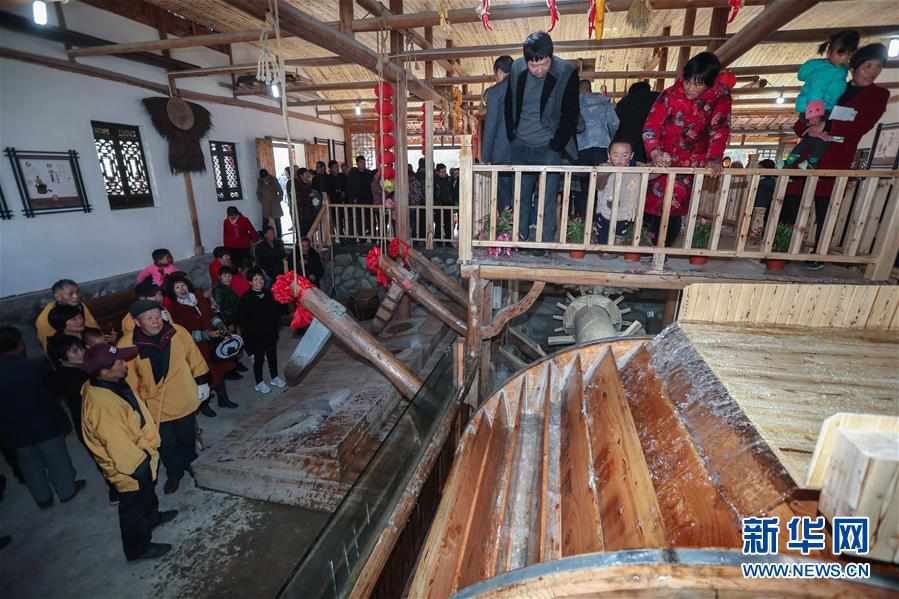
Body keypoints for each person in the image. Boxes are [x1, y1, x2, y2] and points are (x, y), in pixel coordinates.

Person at [780, 42, 890, 269]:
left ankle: (819, 253)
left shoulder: (878, 95)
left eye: (877, 67)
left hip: (838, 154)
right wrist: (809, 127)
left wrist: (828, 124)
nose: (872, 71)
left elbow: (862, 124)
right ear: (856, 67)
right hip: (809, 151)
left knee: (825, 206)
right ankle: (779, 249)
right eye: (867, 65)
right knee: (791, 200)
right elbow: (803, 117)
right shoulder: (836, 84)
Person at [80, 343, 177, 562]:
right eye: (120, 362)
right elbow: (119, 449)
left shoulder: (111, 382)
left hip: (142, 453)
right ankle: (137, 549)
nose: (126, 364)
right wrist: (141, 468)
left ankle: (153, 517)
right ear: (104, 370)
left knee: (147, 495)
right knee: (133, 507)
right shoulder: (102, 407)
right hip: (130, 467)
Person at [643, 51, 731, 247]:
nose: (690, 87)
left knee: (674, 206)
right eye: (688, 81)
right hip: (662, 158)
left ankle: (661, 252)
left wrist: (713, 159)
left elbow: (719, 129)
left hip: (690, 161)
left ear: (709, 83)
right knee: (649, 203)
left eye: (698, 84)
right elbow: (651, 125)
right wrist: (655, 151)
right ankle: (647, 247)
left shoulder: (720, 97)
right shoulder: (670, 94)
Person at [120, 301, 209, 494]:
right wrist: (135, 407)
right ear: (137, 322)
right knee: (166, 444)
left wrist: (202, 381)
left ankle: (192, 465)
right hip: (153, 406)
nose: (156, 322)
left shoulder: (177, 332)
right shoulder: (127, 345)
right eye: (149, 318)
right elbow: (129, 379)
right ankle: (173, 473)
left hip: (182, 396)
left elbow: (194, 356)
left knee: (187, 437)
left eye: (158, 316)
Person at [504, 31, 580, 242]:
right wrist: (512, 136)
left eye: (544, 64)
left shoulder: (566, 71)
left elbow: (570, 113)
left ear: (551, 57)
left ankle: (544, 243)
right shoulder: (517, 68)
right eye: (533, 65)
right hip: (521, 144)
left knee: (547, 198)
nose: (538, 70)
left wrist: (556, 144)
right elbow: (509, 104)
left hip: (548, 146)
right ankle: (519, 241)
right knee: (520, 196)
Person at [0, 326, 85, 509]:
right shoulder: (36, 365)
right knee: (56, 459)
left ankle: (43, 499)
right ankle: (67, 491)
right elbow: (54, 391)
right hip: (44, 423)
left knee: (29, 465)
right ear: (19, 344)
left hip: (12, 430)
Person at [164, 273, 239, 417]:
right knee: (202, 376)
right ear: (173, 292)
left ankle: (223, 399)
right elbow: (181, 333)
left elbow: (211, 315)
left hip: (212, 342)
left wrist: (220, 325)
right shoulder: (175, 309)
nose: (182, 289)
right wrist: (205, 335)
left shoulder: (198, 299)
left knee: (219, 370)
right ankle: (203, 406)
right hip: (195, 348)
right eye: (177, 288)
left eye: (183, 286)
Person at [783, 30, 860, 169]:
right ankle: (807, 162)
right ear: (829, 52)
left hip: (822, 109)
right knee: (821, 138)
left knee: (816, 137)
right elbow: (815, 92)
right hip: (816, 110)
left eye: (848, 55)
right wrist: (815, 115)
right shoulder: (826, 71)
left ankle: (794, 161)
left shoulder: (838, 70)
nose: (844, 58)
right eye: (841, 53)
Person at [576, 79, 619, 217]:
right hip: (602, 146)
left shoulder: (573, 103)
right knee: (603, 185)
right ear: (590, 89)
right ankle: (601, 217)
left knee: (583, 187)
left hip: (581, 148)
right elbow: (615, 123)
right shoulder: (604, 102)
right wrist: (610, 140)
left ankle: (583, 219)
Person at [239, 268, 287, 395]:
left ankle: (275, 377)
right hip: (256, 335)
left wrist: (276, 327)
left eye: (261, 279)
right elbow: (244, 322)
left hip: (270, 332)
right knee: (259, 360)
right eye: (255, 279)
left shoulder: (268, 293)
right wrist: (249, 341)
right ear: (250, 282)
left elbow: (275, 312)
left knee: (272, 356)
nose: (259, 281)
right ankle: (259, 382)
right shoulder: (246, 298)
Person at [482, 55, 515, 211]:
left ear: (500, 72)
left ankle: (505, 233)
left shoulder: (495, 92)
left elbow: (491, 126)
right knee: (523, 197)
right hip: (527, 154)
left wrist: (486, 157)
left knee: (504, 200)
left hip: (502, 154)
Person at [594, 141, 642, 244]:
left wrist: (657, 164)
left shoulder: (636, 170)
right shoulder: (604, 168)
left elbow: (651, 172)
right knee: (603, 238)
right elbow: (598, 186)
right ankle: (604, 249)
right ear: (609, 155)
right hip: (605, 211)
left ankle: (615, 247)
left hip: (625, 212)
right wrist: (605, 173)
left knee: (619, 237)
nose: (620, 159)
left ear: (631, 156)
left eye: (624, 155)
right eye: (615, 155)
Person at [35, 279, 102, 351]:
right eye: (71, 294)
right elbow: (49, 347)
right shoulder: (44, 319)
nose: (76, 296)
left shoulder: (79, 305)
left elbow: (93, 326)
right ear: (58, 297)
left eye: (77, 292)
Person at [613, 81, 658, 164]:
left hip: (629, 141)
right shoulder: (657, 98)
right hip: (650, 141)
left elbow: (615, 123)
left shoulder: (624, 101)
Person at [212, 266, 242, 330]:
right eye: (225, 276)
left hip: (235, 319)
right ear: (219, 277)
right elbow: (219, 308)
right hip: (229, 322)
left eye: (229, 276)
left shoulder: (227, 288)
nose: (228, 278)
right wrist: (229, 323)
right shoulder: (219, 290)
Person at [257, 169, 284, 237]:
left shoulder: (273, 179)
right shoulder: (260, 181)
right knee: (265, 222)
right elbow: (258, 193)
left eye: (265, 177)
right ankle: (265, 237)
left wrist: (278, 200)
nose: (264, 179)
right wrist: (261, 200)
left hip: (275, 204)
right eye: (263, 177)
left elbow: (280, 191)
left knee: (277, 222)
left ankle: (279, 237)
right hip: (265, 204)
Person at [434, 164, 454, 241]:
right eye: (442, 172)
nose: (444, 173)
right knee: (438, 223)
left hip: (448, 204)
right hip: (438, 204)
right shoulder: (435, 181)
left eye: (445, 171)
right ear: (437, 172)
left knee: (448, 224)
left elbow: (451, 191)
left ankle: (448, 240)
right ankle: (438, 240)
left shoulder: (449, 180)